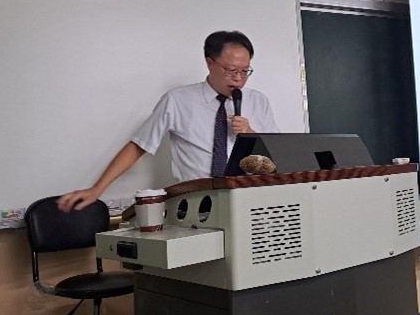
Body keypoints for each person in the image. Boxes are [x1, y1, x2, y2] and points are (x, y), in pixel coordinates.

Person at [57, 30, 279, 211]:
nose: (238, 79)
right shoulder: (177, 100)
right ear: (209, 63)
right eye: (231, 70)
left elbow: (277, 155)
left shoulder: (258, 101)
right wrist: (97, 190)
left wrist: (251, 134)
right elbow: (139, 146)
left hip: (249, 201)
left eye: (245, 71)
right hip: (196, 202)